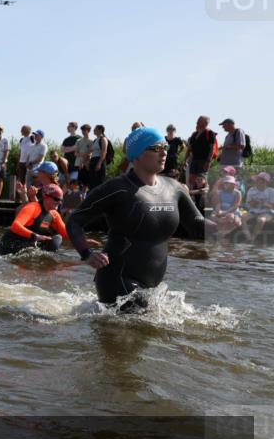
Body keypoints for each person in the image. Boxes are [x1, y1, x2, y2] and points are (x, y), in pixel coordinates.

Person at [67, 127, 207, 311]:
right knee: (142, 325)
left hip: (151, 286)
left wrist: (226, 226)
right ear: (138, 154)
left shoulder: (175, 188)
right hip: (117, 280)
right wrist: (87, 254)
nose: (165, 152)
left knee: (152, 330)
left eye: (165, 147)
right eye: (157, 148)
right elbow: (74, 220)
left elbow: (197, 226)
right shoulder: (117, 188)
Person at [0, 184, 73, 255]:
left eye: (61, 200)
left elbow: (67, 234)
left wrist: (82, 242)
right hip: (9, 247)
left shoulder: (55, 215)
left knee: (56, 239)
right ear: (45, 197)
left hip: (26, 248)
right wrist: (36, 236)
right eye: (56, 199)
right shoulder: (32, 207)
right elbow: (15, 226)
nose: (59, 202)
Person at [185, 115, 217, 197]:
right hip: (194, 160)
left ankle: (202, 201)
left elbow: (212, 148)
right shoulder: (194, 134)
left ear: (205, 123)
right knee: (191, 181)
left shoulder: (209, 133)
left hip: (203, 161)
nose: (197, 122)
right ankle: (192, 199)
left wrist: (208, 161)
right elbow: (189, 148)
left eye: (199, 120)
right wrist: (185, 160)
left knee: (201, 182)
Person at [210, 175, 243, 239]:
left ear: (233, 184)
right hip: (221, 211)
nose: (227, 185)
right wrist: (219, 212)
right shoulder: (219, 193)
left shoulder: (237, 193)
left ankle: (222, 233)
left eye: (229, 183)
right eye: (226, 183)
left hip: (233, 211)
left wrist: (225, 213)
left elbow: (235, 206)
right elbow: (218, 205)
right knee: (213, 217)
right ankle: (221, 233)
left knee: (235, 220)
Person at [243, 172, 273, 242]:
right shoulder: (251, 190)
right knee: (243, 217)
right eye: (256, 179)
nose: (256, 181)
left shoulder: (271, 191)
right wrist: (253, 203)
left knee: (261, 220)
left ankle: (253, 238)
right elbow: (248, 204)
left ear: (264, 181)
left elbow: (272, 206)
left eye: (258, 179)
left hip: (267, 212)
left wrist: (264, 204)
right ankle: (248, 237)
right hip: (253, 211)